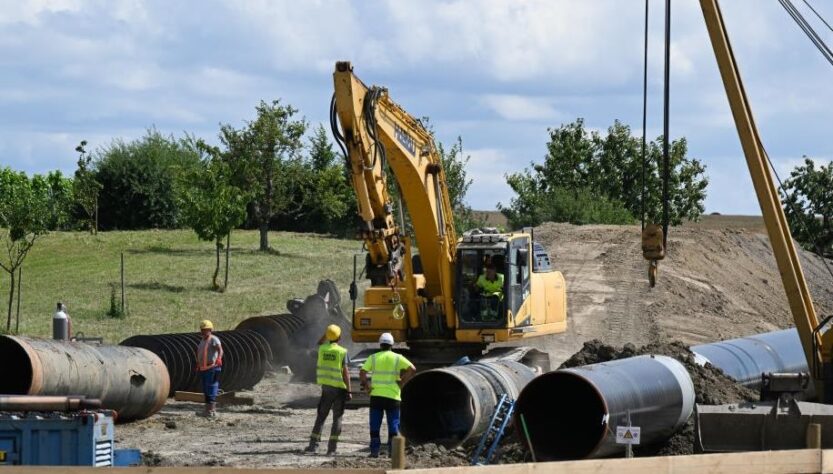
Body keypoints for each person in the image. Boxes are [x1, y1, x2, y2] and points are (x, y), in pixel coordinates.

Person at [359, 332, 416, 458]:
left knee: (374, 425)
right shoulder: (397, 358)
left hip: (376, 397)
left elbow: (362, 372)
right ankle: (393, 453)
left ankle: (374, 452)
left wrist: (367, 387)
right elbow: (412, 369)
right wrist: (402, 381)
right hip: (393, 397)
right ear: (392, 345)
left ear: (380, 344)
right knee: (393, 426)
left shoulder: (373, 358)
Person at [306, 324, 352, 455]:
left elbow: (317, 345)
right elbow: (346, 373)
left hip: (326, 388)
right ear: (340, 337)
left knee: (321, 416)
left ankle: (312, 446)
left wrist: (325, 335)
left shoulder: (322, 349)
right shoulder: (342, 351)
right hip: (339, 389)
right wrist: (349, 390)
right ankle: (331, 449)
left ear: (327, 336)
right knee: (337, 418)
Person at [196, 319, 223, 417]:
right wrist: (198, 364)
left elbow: (220, 350)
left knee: (211, 388)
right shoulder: (203, 341)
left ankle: (212, 411)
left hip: (212, 368)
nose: (203, 331)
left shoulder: (213, 339)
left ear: (210, 330)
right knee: (206, 389)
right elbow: (201, 353)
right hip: (204, 368)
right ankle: (207, 411)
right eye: (202, 329)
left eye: (205, 329)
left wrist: (219, 358)